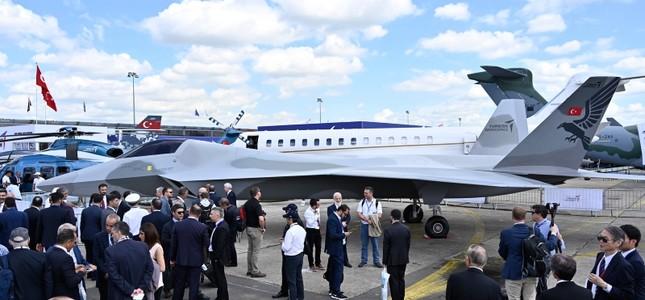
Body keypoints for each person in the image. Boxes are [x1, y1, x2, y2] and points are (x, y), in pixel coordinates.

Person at [499, 207, 558, 300]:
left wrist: (511, 258)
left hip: (513, 271)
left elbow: (502, 252)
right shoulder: (534, 231)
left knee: (513, 298)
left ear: (513, 217)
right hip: (531, 271)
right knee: (530, 297)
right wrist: (554, 233)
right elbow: (549, 246)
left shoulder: (506, 233)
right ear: (525, 217)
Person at [105, 221, 154, 300]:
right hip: (140, 294)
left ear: (119, 232)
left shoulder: (111, 251)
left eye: (113, 233)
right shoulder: (142, 246)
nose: (112, 236)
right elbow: (149, 269)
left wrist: (131, 291)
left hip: (121, 294)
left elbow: (114, 275)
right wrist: (141, 288)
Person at [171, 204, 209, 300]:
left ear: (189, 212)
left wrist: (172, 258)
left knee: (179, 285)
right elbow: (207, 244)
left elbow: (174, 244)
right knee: (194, 286)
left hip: (181, 259)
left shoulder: (178, 225)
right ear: (199, 214)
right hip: (196, 261)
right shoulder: (202, 227)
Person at [587, 226, 635, 300]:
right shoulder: (600, 256)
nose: (601, 241)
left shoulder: (623, 266)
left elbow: (628, 295)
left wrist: (604, 285)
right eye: (599, 238)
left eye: (605, 239)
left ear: (618, 243)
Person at [7, 227, 53, 300]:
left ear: (10, 242)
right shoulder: (42, 257)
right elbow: (48, 284)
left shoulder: (4, 260)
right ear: (28, 240)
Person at [530, 204, 564, 294]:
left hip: (547, 258)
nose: (531, 214)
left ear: (539, 214)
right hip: (538, 256)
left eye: (532, 212)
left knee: (542, 281)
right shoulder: (535, 225)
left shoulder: (551, 225)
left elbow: (558, 243)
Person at [46, 228, 85, 299]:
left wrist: (73, 268)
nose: (74, 245)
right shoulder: (66, 258)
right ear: (68, 242)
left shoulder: (49, 252)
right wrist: (81, 272)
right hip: (66, 295)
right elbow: (72, 282)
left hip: (53, 294)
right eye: (74, 242)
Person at [382, 209, 410, 300]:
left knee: (393, 281)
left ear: (391, 217)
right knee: (401, 279)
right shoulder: (406, 229)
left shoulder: (388, 230)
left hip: (392, 260)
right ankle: (401, 297)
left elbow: (386, 247)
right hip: (403, 259)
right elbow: (407, 245)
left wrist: (384, 261)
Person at [325, 204, 351, 300]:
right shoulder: (332, 219)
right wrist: (344, 235)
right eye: (345, 214)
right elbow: (332, 235)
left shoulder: (336, 218)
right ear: (341, 211)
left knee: (333, 269)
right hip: (336, 249)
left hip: (338, 247)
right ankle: (336, 291)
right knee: (338, 270)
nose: (345, 216)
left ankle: (333, 289)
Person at [94, 213, 120, 300]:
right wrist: (106, 271)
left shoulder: (126, 237)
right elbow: (97, 257)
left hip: (120, 276)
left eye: (111, 226)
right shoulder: (99, 237)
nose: (108, 228)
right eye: (106, 225)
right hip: (104, 276)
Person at [161, 204, 184, 299]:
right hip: (171, 254)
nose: (182, 214)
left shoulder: (185, 223)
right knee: (169, 273)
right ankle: (167, 289)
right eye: (179, 213)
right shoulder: (167, 226)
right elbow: (164, 239)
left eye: (183, 212)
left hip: (183, 254)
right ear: (173, 213)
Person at [356, 186, 383, 268]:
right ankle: (364, 260)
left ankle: (377, 261)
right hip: (364, 225)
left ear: (371, 193)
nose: (365, 194)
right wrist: (366, 219)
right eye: (364, 193)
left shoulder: (377, 202)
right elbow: (358, 213)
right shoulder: (362, 202)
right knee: (364, 244)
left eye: (366, 193)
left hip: (373, 226)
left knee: (375, 244)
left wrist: (371, 219)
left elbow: (379, 214)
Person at [140, 222, 166, 300]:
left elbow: (162, 267)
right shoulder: (142, 245)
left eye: (142, 234)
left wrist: (148, 264)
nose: (139, 236)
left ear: (148, 234)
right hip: (145, 281)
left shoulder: (157, 247)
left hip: (155, 282)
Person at [244, 186, 266, 278]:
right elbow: (261, 219)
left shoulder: (247, 203)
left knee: (250, 250)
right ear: (257, 193)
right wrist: (263, 227)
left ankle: (249, 269)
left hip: (248, 228)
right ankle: (255, 270)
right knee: (256, 251)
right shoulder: (257, 204)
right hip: (255, 229)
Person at [208, 207, 230, 300]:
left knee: (220, 278)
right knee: (218, 277)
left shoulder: (221, 227)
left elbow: (220, 245)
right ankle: (220, 296)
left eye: (211, 214)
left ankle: (223, 297)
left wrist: (216, 258)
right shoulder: (218, 225)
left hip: (218, 257)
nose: (210, 216)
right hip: (216, 256)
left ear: (217, 215)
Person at [620, 224, 645, 300]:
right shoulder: (619, 254)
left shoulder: (635, 262)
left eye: (622, 238)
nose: (618, 240)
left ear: (633, 241)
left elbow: (636, 289)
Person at [80, 193, 104, 270]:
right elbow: (101, 225)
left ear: (93, 200)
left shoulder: (85, 211)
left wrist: (81, 235)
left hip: (86, 235)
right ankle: (94, 272)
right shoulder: (101, 212)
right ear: (101, 201)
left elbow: (82, 225)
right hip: (96, 235)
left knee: (88, 253)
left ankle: (89, 270)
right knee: (96, 254)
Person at [328, 192, 351, 267]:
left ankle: (345, 261)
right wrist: (341, 223)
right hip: (337, 231)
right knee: (337, 246)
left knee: (344, 245)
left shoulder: (344, 207)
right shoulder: (330, 208)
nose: (338, 200)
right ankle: (339, 261)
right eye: (336, 198)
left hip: (344, 228)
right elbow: (332, 220)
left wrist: (346, 223)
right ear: (334, 199)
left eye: (339, 198)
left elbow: (348, 217)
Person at [304, 198, 324, 271]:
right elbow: (310, 222)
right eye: (317, 204)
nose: (319, 206)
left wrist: (319, 226)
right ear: (313, 205)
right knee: (310, 248)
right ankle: (311, 264)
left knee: (318, 247)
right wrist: (315, 215)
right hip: (310, 230)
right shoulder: (307, 212)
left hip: (317, 229)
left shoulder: (318, 209)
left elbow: (319, 219)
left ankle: (318, 263)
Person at [220, 198, 238, 267]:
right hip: (233, 231)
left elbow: (226, 223)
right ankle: (232, 260)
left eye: (221, 205)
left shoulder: (229, 212)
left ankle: (232, 261)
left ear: (224, 204)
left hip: (230, 232)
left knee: (230, 247)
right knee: (231, 246)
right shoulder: (233, 208)